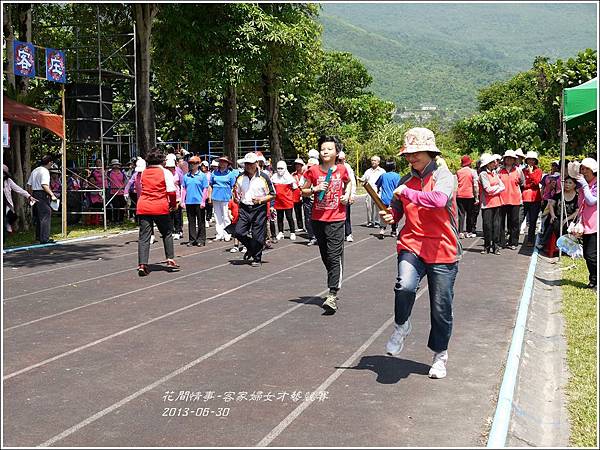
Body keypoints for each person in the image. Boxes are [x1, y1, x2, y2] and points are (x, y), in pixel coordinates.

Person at [379, 127, 460, 379]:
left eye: (416, 153)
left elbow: (437, 200)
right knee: (404, 286)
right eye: (408, 154)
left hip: (443, 249)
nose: (411, 158)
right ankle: (401, 326)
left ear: (430, 152)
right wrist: (390, 216)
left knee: (441, 307)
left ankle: (440, 355)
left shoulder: (445, 176)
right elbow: (396, 212)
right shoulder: (405, 181)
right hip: (412, 244)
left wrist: (408, 194)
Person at [301, 135, 352, 314]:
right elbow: (304, 191)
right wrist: (314, 189)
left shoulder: (341, 169)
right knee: (325, 255)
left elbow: (349, 183)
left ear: (337, 152)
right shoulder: (313, 171)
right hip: (318, 219)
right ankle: (334, 279)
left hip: (337, 218)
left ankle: (332, 294)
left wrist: (348, 196)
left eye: (329, 149)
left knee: (333, 254)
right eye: (323, 148)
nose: (325, 151)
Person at [136, 147, 180, 276]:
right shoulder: (165, 173)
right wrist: (173, 204)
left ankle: (142, 264)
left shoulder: (143, 172)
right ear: (163, 160)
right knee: (167, 232)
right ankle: (170, 258)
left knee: (144, 237)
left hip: (144, 205)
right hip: (159, 206)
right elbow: (171, 192)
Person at [233, 152, 275, 267]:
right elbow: (235, 191)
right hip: (244, 208)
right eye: (247, 164)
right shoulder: (240, 177)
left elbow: (272, 194)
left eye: (251, 164)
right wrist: (235, 198)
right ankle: (251, 247)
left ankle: (257, 258)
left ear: (256, 164)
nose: (249, 166)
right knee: (238, 232)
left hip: (259, 208)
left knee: (258, 235)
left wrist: (261, 200)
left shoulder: (264, 177)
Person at [26, 155, 58, 244]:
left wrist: (30, 196)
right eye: (52, 162)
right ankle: (45, 238)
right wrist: (52, 195)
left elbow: (29, 185)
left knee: (40, 216)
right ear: (49, 162)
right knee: (46, 215)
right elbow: (44, 185)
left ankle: (38, 237)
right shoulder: (45, 171)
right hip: (42, 194)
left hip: (35, 194)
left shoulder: (35, 170)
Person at [543, 176, 578, 257]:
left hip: (570, 219)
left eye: (570, 183)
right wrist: (552, 215)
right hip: (558, 217)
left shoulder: (577, 196)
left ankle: (561, 245)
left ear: (574, 185)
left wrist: (566, 219)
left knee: (566, 225)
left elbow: (577, 212)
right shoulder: (559, 194)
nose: (567, 185)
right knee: (554, 223)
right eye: (566, 182)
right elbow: (551, 205)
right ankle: (560, 243)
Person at [576, 158, 597, 289]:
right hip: (586, 224)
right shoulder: (585, 186)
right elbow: (581, 205)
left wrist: (584, 186)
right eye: (581, 169)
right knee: (587, 254)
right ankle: (593, 279)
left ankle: (595, 280)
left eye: (585, 169)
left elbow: (591, 201)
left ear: (592, 170)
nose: (582, 172)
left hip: (595, 224)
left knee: (591, 254)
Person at [479, 153, 505, 254]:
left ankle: (496, 246)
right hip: (487, 204)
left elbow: (502, 186)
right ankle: (487, 246)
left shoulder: (495, 173)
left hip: (497, 203)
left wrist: (495, 189)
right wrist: (497, 188)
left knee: (496, 225)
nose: (494, 163)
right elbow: (487, 189)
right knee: (487, 226)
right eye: (492, 162)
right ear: (488, 164)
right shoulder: (483, 174)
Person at [498, 150, 524, 250]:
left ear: (514, 160)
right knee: (500, 222)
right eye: (507, 158)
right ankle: (501, 242)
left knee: (514, 221)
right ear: (504, 159)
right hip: (502, 200)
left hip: (515, 200)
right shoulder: (499, 171)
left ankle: (513, 242)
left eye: (511, 158)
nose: (509, 159)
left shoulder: (518, 171)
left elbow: (522, 183)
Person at [181, 156, 209, 247]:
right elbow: (184, 189)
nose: (191, 165)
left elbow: (205, 189)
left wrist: (203, 201)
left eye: (194, 163)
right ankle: (192, 239)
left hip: (199, 201)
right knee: (191, 221)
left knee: (201, 221)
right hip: (189, 201)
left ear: (198, 164)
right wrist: (182, 201)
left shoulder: (202, 176)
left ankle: (201, 239)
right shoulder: (186, 176)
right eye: (190, 163)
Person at [208, 156, 236, 241]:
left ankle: (227, 233)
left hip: (226, 197)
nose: (222, 164)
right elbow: (210, 185)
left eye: (224, 162)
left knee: (226, 216)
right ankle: (219, 233)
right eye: (221, 162)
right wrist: (209, 196)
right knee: (217, 216)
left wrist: (233, 198)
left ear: (228, 164)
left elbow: (233, 186)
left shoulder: (230, 174)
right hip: (216, 196)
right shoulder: (214, 173)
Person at [3, 163, 37, 235]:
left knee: (13, 216)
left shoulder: (8, 181)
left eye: (4, 173)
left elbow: (18, 189)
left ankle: (7, 227)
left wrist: (29, 196)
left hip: (6, 204)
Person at [271, 160, 298, 241]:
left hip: (287, 201)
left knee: (289, 217)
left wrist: (293, 198)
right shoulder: (274, 177)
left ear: (285, 168)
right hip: (278, 201)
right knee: (279, 218)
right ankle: (280, 232)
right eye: (278, 168)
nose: (280, 170)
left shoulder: (289, 177)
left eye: (281, 168)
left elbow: (295, 188)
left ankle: (292, 232)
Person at [521, 151, 543, 247]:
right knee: (519, 218)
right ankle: (513, 238)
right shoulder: (522, 171)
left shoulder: (538, 171)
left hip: (535, 199)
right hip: (524, 198)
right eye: (529, 159)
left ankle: (530, 239)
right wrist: (529, 184)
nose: (530, 161)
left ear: (535, 161)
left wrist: (530, 173)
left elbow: (537, 182)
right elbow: (523, 184)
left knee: (533, 221)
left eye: (532, 160)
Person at [375, 160, 401, 238]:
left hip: (384, 198)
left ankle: (382, 229)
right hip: (393, 199)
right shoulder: (397, 176)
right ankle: (393, 230)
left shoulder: (383, 175)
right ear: (394, 167)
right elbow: (399, 187)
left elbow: (378, 185)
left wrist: (378, 190)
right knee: (393, 214)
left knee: (384, 213)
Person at [455, 155, 479, 239]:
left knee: (461, 214)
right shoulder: (473, 172)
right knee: (470, 214)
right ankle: (469, 231)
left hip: (460, 195)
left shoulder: (458, 172)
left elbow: (456, 184)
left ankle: (460, 232)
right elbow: (475, 185)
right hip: (470, 195)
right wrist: (476, 197)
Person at [360, 155, 385, 227]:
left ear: (378, 162)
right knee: (369, 207)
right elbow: (363, 179)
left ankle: (377, 222)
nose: (373, 162)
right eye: (372, 160)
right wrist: (358, 178)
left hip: (378, 192)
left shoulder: (382, 171)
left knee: (378, 208)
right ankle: (370, 222)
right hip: (369, 192)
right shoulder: (368, 171)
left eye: (374, 160)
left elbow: (384, 181)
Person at [338, 151, 357, 242]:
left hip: (345, 192)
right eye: (338, 159)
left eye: (341, 160)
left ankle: (348, 233)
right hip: (335, 193)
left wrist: (351, 195)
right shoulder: (332, 166)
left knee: (346, 215)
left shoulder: (347, 167)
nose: (339, 161)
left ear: (344, 159)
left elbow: (352, 182)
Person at [301, 158, 319, 246]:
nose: (310, 168)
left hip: (318, 200)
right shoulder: (305, 175)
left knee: (319, 220)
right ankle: (312, 237)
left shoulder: (321, 174)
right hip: (308, 199)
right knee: (308, 219)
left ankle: (319, 237)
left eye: (312, 167)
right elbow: (301, 188)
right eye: (308, 167)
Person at [165, 157, 183, 240]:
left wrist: (182, 198)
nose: (170, 169)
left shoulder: (178, 173)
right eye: (168, 167)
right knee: (169, 215)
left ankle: (178, 230)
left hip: (177, 195)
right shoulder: (165, 173)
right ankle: (171, 230)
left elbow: (182, 185)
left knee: (177, 214)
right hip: (167, 196)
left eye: (171, 167)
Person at [124, 157, 146, 223]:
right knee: (139, 209)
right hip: (139, 196)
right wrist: (126, 192)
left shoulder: (147, 174)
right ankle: (139, 222)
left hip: (147, 196)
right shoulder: (135, 174)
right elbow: (129, 183)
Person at [106, 159, 127, 224]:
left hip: (121, 191)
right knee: (116, 206)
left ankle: (121, 219)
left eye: (117, 165)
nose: (116, 166)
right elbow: (106, 180)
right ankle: (115, 220)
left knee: (122, 205)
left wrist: (124, 187)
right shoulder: (109, 173)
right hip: (113, 192)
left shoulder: (122, 173)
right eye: (115, 165)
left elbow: (125, 181)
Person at [291, 158, 305, 232]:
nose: (297, 166)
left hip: (305, 193)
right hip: (296, 194)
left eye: (299, 164)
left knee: (306, 211)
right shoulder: (293, 174)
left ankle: (308, 226)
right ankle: (300, 226)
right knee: (297, 211)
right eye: (296, 164)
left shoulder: (305, 173)